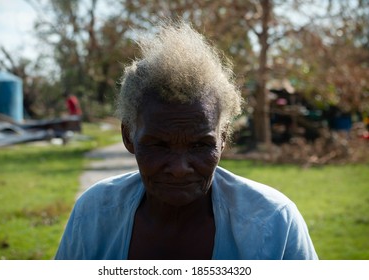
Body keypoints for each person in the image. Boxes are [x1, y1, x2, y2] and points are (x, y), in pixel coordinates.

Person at [55, 21, 318, 260]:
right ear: (128, 137)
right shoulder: (94, 214)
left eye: (200, 145)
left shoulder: (273, 223)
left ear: (223, 139)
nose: (180, 169)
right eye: (158, 145)